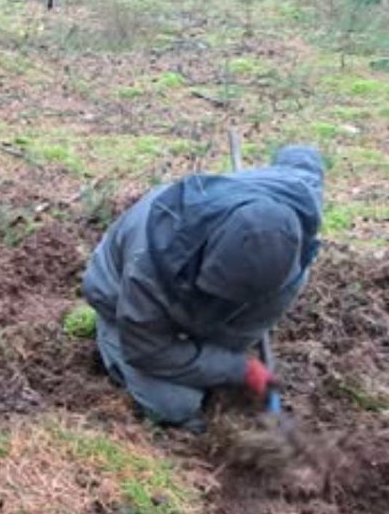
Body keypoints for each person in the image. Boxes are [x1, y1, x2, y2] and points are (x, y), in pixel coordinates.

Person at [81, 145, 324, 430]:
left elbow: (302, 164)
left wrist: (300, 153)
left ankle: (213, 346)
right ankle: (110, 338)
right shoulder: (149, 260)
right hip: (123, 301)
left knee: (240, 331)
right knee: (174, 405)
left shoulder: (296, 194)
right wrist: (239, 368)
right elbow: (148, 349)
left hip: (210, 296)